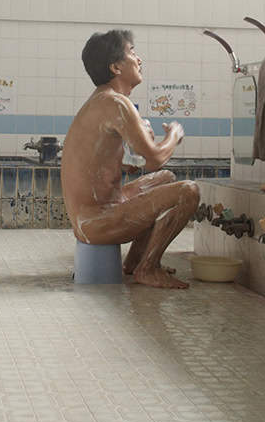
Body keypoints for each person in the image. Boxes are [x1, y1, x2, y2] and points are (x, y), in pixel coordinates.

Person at [61, 29, 198, 289]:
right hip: (95, 222)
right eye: (132, 53)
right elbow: (155, 159)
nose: (139, 59)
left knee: (165, 180)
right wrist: (174, 135)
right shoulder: (116, 104)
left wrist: (127, 160)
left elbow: (116, 163)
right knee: (188, 192)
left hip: (92, 213)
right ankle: (148, 268)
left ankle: (134, 262)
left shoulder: (102, 101)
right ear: (115, 67)